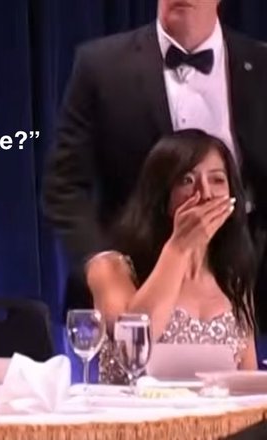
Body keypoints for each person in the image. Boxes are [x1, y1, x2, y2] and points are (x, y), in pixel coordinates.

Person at [42, 0, 267, 327]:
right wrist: (102, 263)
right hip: (133, 289)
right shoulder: (101, 66)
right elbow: (64, 187)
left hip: (245, 292)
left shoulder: (261, 65)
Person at [86, 130, 257, 384]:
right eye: (187, 180)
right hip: (132, 409)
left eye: (217, 180)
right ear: (162, 194)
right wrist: (179, 248)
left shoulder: (233, 279)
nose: (206, 194)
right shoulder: (110, 267)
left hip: (216, 411)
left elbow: (248, 382)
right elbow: (132, 347)